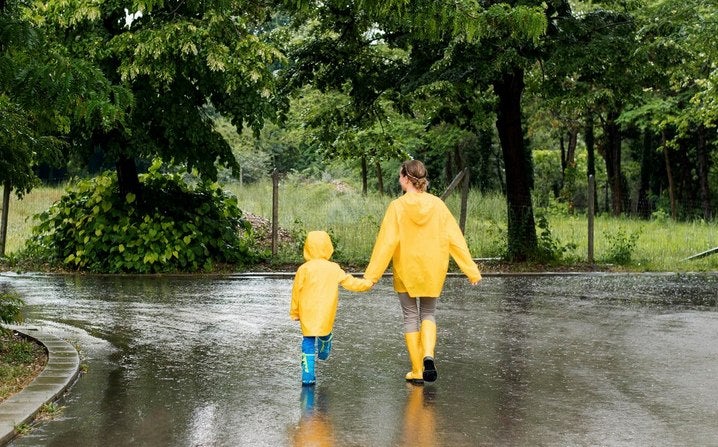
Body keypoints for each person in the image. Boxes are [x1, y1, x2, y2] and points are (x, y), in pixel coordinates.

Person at [364, 160, 481, 384]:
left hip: (406, 269)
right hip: (432, 268)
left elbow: (386, 244)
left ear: (407, 179)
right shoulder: (438, 205)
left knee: (410, 316)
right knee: (428, 314)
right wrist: (471, 270)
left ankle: (417, 370)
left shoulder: (397, 207)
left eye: (400, 176)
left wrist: (372, 276)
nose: (399, 179)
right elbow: (455, 239)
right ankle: (429, 355)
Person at [290, 230, 373, 386]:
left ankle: (307, 376)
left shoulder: (304, 269)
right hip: (326, 310)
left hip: (307, 310)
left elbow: (296, 291)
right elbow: (350, 282)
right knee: (324, 331)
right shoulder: (333, 268)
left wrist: (295, 311)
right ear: (328, 247)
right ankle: (324, 346)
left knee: (308, 340)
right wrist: (367, 284)